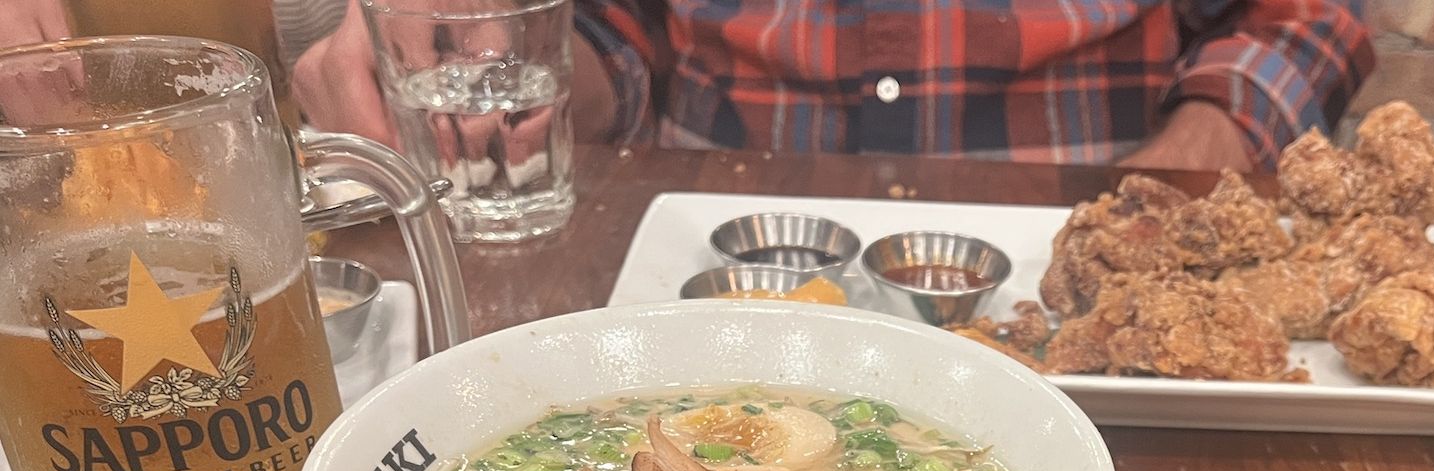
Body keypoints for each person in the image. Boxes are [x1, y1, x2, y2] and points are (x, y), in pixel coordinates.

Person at [293, 0, 1372, 173]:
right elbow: (619, 41)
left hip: (1083, 243)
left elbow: (1302, 13)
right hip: (707, 269)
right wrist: (492, 54)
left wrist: (1207, 143)